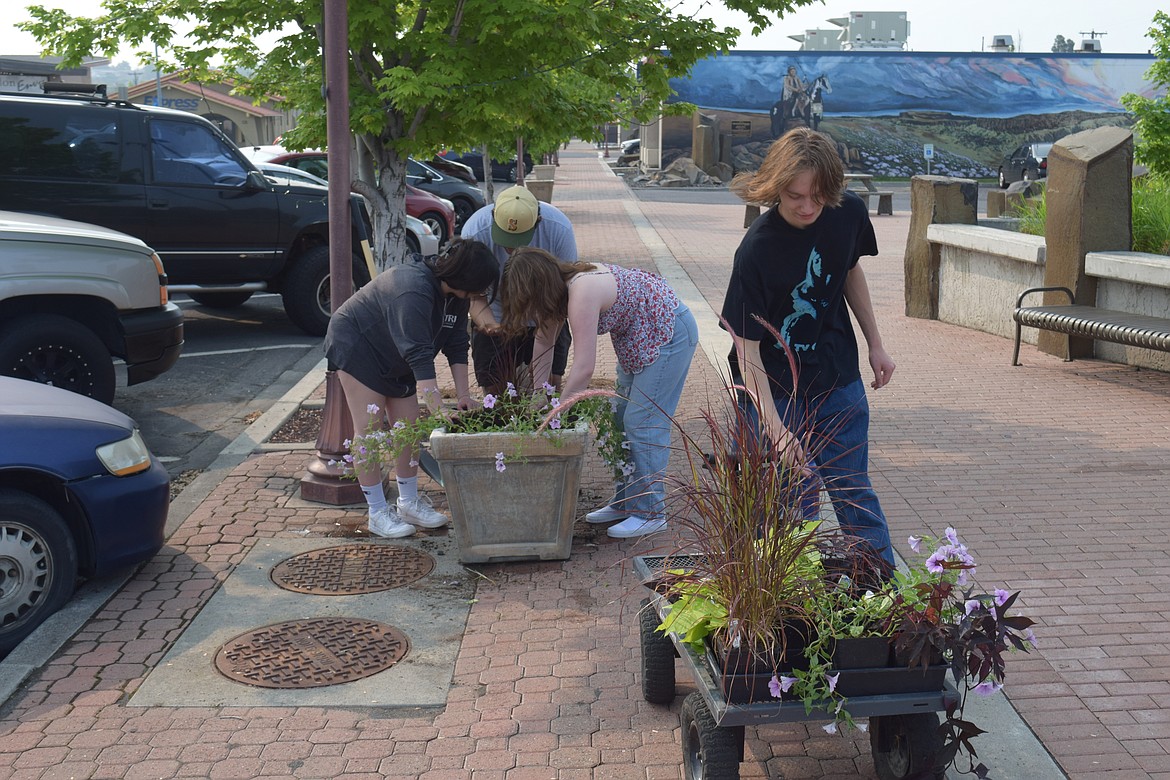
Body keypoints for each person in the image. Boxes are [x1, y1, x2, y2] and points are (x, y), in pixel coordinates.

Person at [720, 127, 897, 571]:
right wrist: (777, 428)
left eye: (818, 196)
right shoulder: (757, 249)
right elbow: (746, 352)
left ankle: (887, 596)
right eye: (795, 195)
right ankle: (790, 609)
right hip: (773, 391)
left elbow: (849, 268)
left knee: (854, 490)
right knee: (787, 512)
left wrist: (876, 343)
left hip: (838, 378)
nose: (807, 207)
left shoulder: (847, 212)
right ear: (776, 188)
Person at [498, 248, 699, 539]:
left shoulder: (581, 292)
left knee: (642, 423)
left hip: (669, 332)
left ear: (538, 288)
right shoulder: (557, 294)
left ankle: (651, 512)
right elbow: (543, 344)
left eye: (527, 301)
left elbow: (583, 368)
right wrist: (540, 396)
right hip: (639, 338)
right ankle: (627, 502)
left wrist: (556, 414)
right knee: (620, 421)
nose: (528, 311)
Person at [323, 239, 498, 538]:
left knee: (409, 427)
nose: (481, 294)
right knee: (370, 429)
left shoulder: (457, 296)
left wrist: (464, 396)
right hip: (359, 347)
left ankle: (408, 502)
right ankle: (377, 512)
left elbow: (456, 345)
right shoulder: (413, 288)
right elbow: (418, 354)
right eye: (479, 286)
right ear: (464, 277)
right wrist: (436, 407)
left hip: (397, 352)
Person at [460, 185, 577, 394]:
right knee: (493, 381)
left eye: (518, 240)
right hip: (496, 311)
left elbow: (565, 294)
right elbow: (474, 295)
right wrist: (491, 326)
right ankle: (497, 419)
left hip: (546, 311)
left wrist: (544, 346)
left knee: (548, 382)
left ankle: (550, 417)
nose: (510, 249)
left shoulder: (559, 229)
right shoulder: (475, 232)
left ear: (537, 222)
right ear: (494, 217)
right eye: (505, 239)